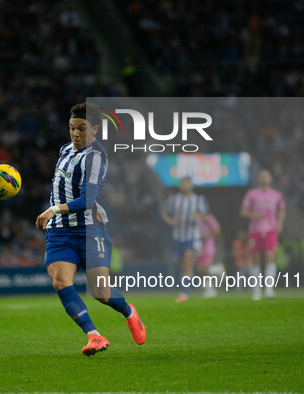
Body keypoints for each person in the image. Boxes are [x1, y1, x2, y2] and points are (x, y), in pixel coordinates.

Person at [35, 102, 146, 356]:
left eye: (82, 129)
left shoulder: (95, 158)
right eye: (72, 128)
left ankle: (129, 312)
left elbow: (86, 199)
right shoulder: (65, 150)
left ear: (95, 129)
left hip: (88, 231)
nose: (75, 134)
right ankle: (94, 335)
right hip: (60, 232)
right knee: (60, 281)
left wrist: (53, 209)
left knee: (100, 292)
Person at [161, 177, 210, 302]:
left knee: (188, 262)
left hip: (192, 236)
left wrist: (199, 217)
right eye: (182, 183)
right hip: (178, 237)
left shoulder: (198, 200)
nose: (184, 186)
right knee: (181, 264)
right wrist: (172, 221)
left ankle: (184, 293)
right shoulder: (174, 199)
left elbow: (207, 218)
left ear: (191, 186)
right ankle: (188, 284)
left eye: (187, 183)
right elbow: (165, 214)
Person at [240, 170, 286, 299]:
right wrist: (254, 215)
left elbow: (282, 209)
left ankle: (269, 289)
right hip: (255, 230)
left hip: (270, 230)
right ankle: (256, 289)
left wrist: (280, 223)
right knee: (255, 259)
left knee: (270, 257)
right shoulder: (252, 194)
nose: (264, 178)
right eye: (261, 176)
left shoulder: (276, 195)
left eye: (266, 175)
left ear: (271, 178)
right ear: (258, 179)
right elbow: (243, 211)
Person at [196, 213, 221, 297]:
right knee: (201, 270)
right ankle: (210, 290)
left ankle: (217, 269)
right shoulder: (193, 219)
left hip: (208, 246)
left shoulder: (209, 218)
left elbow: (217, 231)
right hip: (198, 247)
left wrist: (207, 235)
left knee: (203, 267)